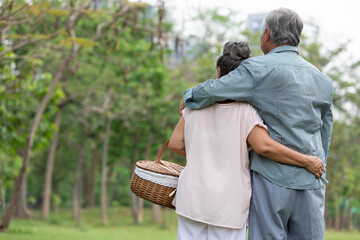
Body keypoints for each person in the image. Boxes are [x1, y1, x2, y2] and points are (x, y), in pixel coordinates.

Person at [179, 8, 333, 240]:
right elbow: (325, 131)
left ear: (267, 34)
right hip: (311, 178)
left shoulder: (258, 70)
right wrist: (319, 167)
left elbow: (217, 89)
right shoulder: (323, 80)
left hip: (272, 178)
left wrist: (188, 96)